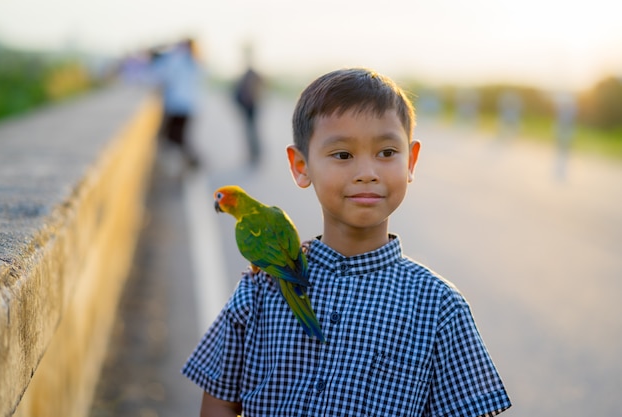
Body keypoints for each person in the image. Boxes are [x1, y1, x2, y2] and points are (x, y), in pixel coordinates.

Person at [182, 68, 512, 417]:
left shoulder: (438, 307)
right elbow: (218, 399)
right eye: (342, 155)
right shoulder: (259, 289)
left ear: (411, 161)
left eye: (386, 153)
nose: (366, 171)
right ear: (300, 166)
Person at [152, 37, 203, 168]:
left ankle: (194, 161)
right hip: (189, 105)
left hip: (177, 105)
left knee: (174, 137)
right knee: (179, 137)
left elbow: (162, 76)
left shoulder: (177, 60)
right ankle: (192, 162)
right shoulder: (195, 60)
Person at [233, 44, 264, 166]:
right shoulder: (251, 75)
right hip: (249, 106)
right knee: (251, 130)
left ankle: (255, 154)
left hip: (251, 106)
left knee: (251, 131)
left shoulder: (250, 75)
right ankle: (254, 154)